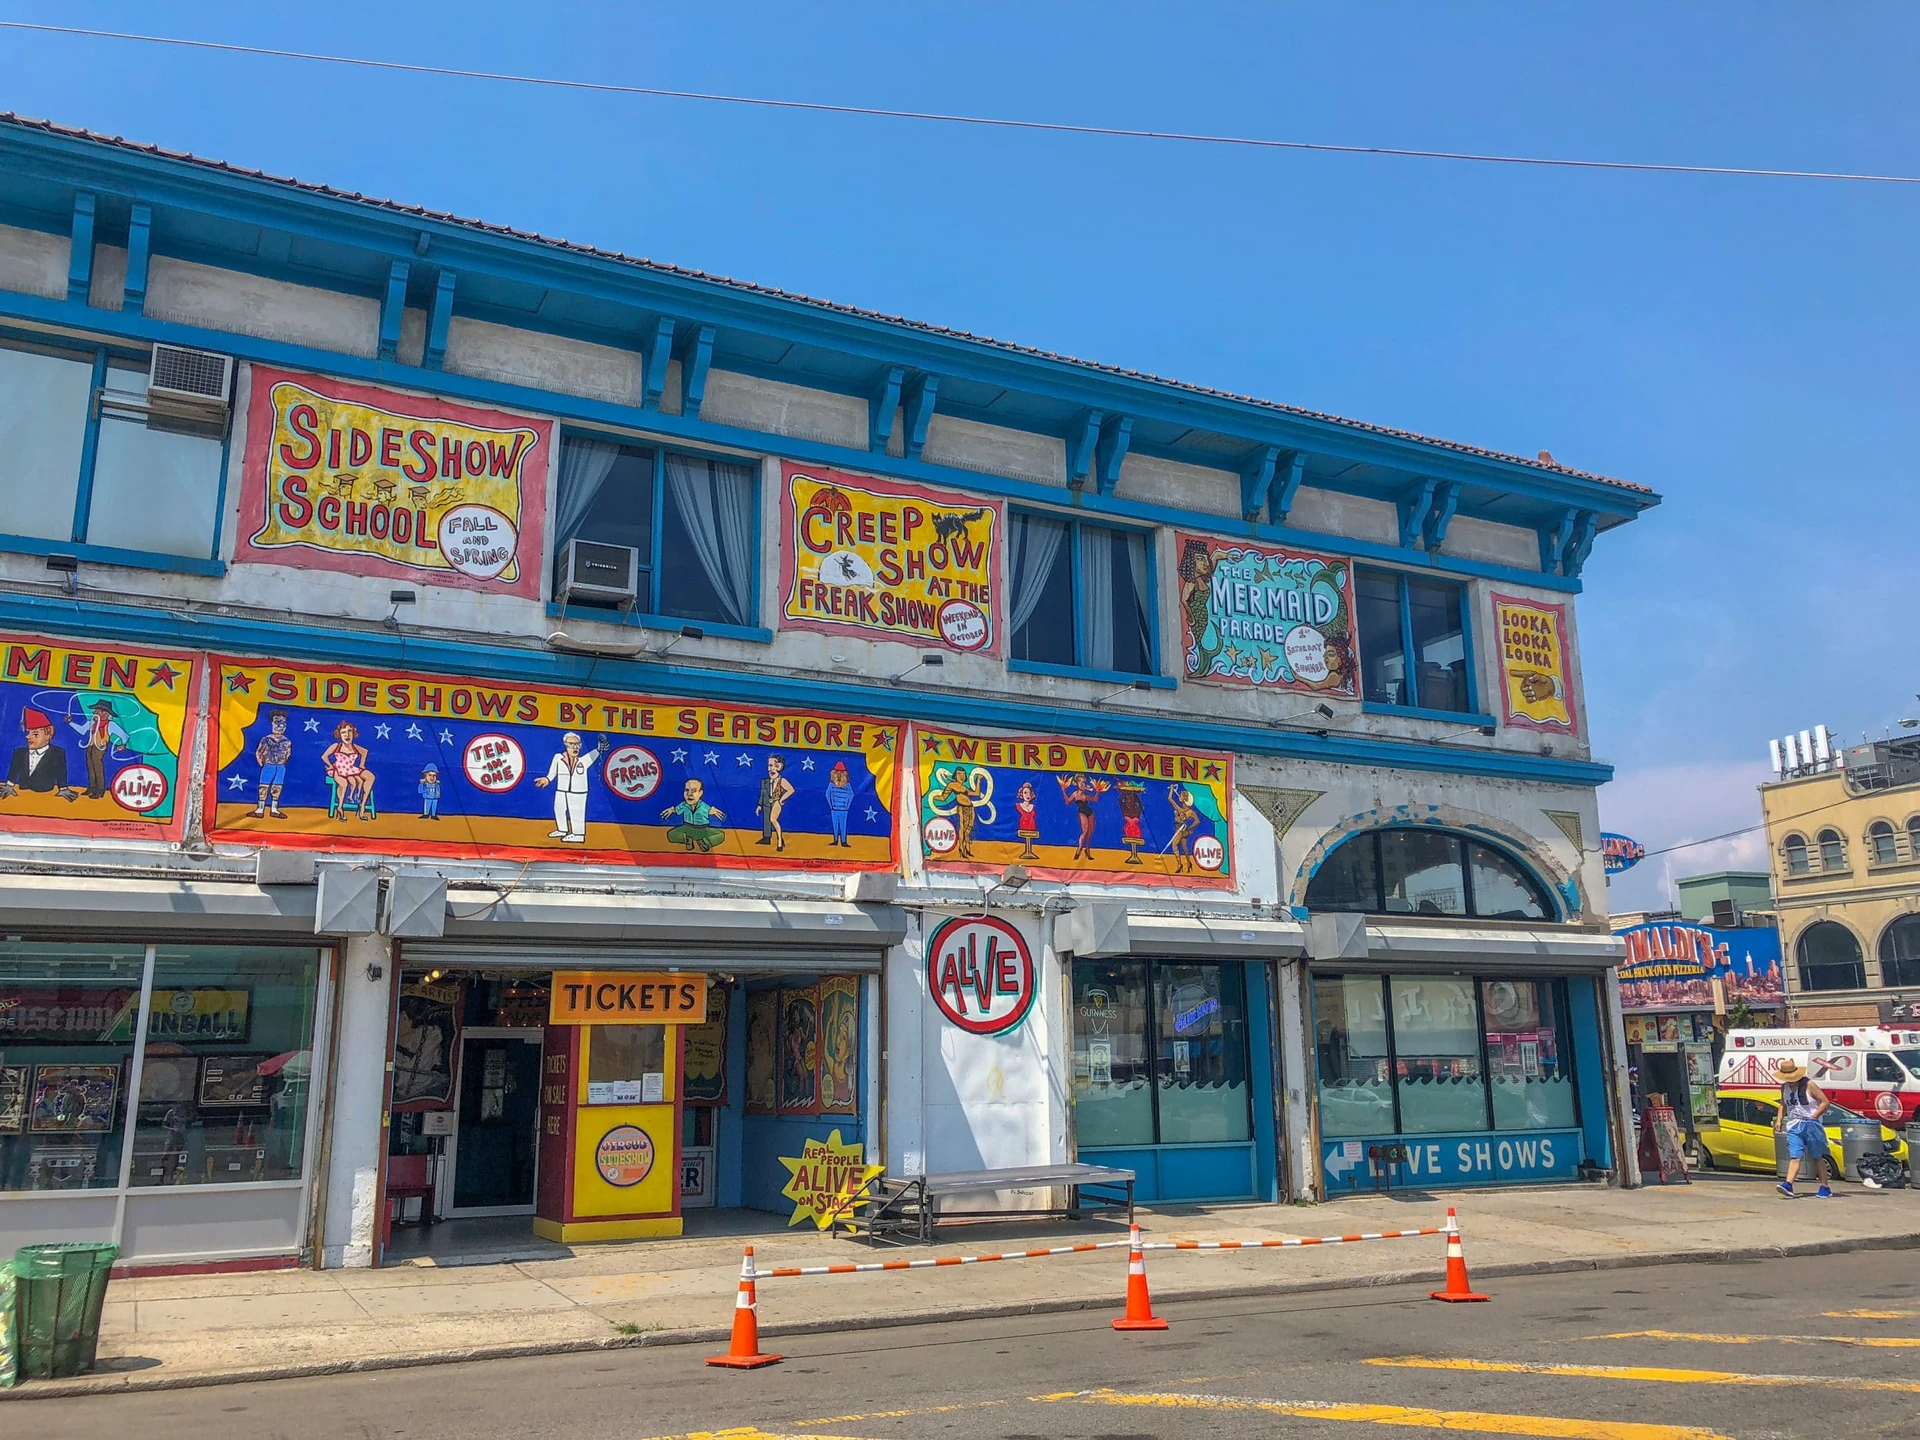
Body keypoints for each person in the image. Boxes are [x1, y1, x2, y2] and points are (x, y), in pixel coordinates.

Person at [1774, 1057, 1834, 1198]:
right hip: (1794, 1124)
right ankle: (1788, 1184)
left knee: (1817, 1157)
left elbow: (1825, 1102)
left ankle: (1825, 1186)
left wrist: (1814, 1116)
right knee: (1795, 1155)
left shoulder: (1809, 1085)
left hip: (1811, 1124)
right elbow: (1783, 1104)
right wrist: (1779, 1120)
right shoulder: (1784, 1087)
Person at [533, 731, 604, 843]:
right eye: (572, 744)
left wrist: (600, 746)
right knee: (559, 809)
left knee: (577, 812)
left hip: (578, 792)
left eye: (578, 744)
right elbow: (553, 771)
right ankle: (562, 829)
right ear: (566, 744)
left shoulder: (583, 761)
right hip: (561, 790)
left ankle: (578, 835)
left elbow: (595, 753)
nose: (575, 747)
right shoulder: (558, 758)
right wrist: (547, 779)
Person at [2, 707, 76, 801]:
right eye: (28, 733)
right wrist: (9, 786)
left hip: (45, 794)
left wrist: (63, 789)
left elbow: (61, 772)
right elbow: (14, 770)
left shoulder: (57, 753)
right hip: (23, 795)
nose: (28, 737)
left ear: (48, 735)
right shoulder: (19, 753)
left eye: (35, 735)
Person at [71, 699, 130, 800]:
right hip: (90, 746)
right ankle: (92, 787)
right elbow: (82, 730)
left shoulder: (111, 725)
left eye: (100, 711)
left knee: (98, 767)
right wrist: (71, 723)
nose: (96, 712)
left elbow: (124, 735)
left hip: (100, 747)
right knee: (90, 766)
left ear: (106, 714)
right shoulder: (92, 723)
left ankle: (100, 790)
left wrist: (123, 744)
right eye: (97, 710)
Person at [319, 721, 375, 820]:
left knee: (370, 777)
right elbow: (324, 756)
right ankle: (340, 807)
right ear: (339, 734)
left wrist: (362, 764)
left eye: (349, 731)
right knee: (343, 784)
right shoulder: (336, 746)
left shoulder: (354, 747)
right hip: (339, 769)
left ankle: (362, 806)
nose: (347, 735)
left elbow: (365, 752)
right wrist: (330, 765)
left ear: (353, 733)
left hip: (351, 769)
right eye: (343, 732)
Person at [661, 778, 726, 852]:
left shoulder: (704, 806)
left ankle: (704, 842)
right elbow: (676, 810)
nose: (689, 794)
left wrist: (713, 811)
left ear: (700, 793)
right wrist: (671, 810)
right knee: (671, 834)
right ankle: (688, 839)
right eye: (687, 790)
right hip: (687, 828)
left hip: (703, 829)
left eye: (694, 791)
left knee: (720, 835)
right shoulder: (683, 805)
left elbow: (710, 810)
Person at [252, 709, 292, 818]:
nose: (280, 726)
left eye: (282, 723)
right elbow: (259, 751)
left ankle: (274, 809)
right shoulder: (266, 739)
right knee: (263, 786)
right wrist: (261, 762)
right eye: (277, 722)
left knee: (277, 787)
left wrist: (283, 762)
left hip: (280, 767)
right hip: (268, 765)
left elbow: (288, 754)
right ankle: (260, 809)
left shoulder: (287, 741)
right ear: (272, 724)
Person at [755, 754, 794, 851]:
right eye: (769, 765)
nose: (771, 769)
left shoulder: (782, 780)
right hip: (766, 803)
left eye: (775, 766)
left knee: (773, 819)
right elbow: (762, 793)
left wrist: (781, 800)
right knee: (766, 820)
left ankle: (779, 840)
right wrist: (759, 805)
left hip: (776, 802)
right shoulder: (764, 781)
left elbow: (791, 790)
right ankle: (766, 838)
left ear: (780, 767)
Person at [824, 761, 855, 847]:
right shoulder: (831, 785)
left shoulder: (847, 785)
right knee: (835, 825)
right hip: (834, 809)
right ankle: (836, 840)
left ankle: (843, 841)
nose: (839, 776)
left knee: (843, 825)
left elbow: (851, 795)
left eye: (841, 773)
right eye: (837, 773)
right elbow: (827, 794)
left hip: (844, 810)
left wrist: (847, 806)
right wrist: (831, 806)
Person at [1013, 780, 1040, 859]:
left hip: (1032, 826)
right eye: (1025, 793)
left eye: (1029, 793)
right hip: (1023, 826)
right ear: (1021, 794)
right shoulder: (1018, 805)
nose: (1027, 795)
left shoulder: (1033, 807)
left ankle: (1029, 851)